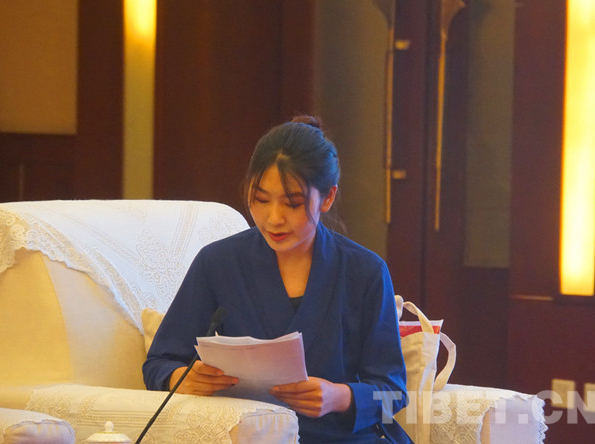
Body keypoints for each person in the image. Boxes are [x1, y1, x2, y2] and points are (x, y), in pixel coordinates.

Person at [143, 115, 410, 443]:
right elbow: (158, 363)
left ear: (327, 198)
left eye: (292, 203)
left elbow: (394, 396)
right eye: (260, 199)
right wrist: (180, 379)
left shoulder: (365, 271)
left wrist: (340, 396)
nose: (273, 218)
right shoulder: (217, 263)